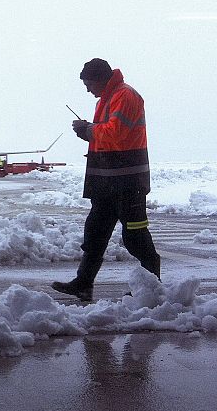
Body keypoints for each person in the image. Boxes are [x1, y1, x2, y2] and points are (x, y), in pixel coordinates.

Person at [52, 58, 160, 301]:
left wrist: (88, 130)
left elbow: (117, 133)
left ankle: (151, 288)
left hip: (127, 182)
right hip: (107, 182)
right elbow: (108, 136)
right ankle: (83, 283)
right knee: (95, 233)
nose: (88, 90)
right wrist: (88, 133)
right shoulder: (108, 99)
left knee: (135, 236)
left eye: (89, 84)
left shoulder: (125, 96)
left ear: (102, 80)